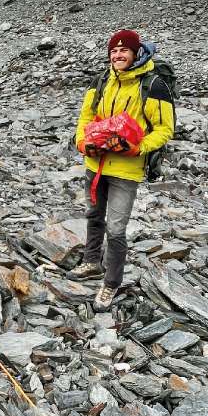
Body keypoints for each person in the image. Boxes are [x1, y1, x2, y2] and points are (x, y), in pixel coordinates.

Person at [71, 29, 174, 304]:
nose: (118, 55)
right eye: (114, 51)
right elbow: (86, 116)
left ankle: (111, 282)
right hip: (95, 163)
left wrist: (139, 148)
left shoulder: (153, 85)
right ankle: (91, 261)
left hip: (126, 169)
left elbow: (165, 129)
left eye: (124, 50)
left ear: (135, 53)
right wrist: (81, 142)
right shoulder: (101, 80)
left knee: (116, 229)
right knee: (93, 216)